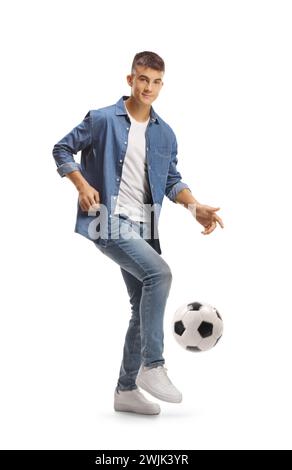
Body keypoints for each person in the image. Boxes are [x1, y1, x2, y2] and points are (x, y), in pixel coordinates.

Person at [52, 51, 224, 416]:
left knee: (140, 306)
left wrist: (196, 208)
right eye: (143, 79)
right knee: (160, 273)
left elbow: (171, 180)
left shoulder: (165, 133)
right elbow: (62, 148)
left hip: (144, 224)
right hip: (106, 219)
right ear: (130, 80)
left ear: (162, 85)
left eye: (156, 81)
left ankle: (126, 389)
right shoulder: (101, 119)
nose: (149, 87)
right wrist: (82, 185)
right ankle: (152, 365)